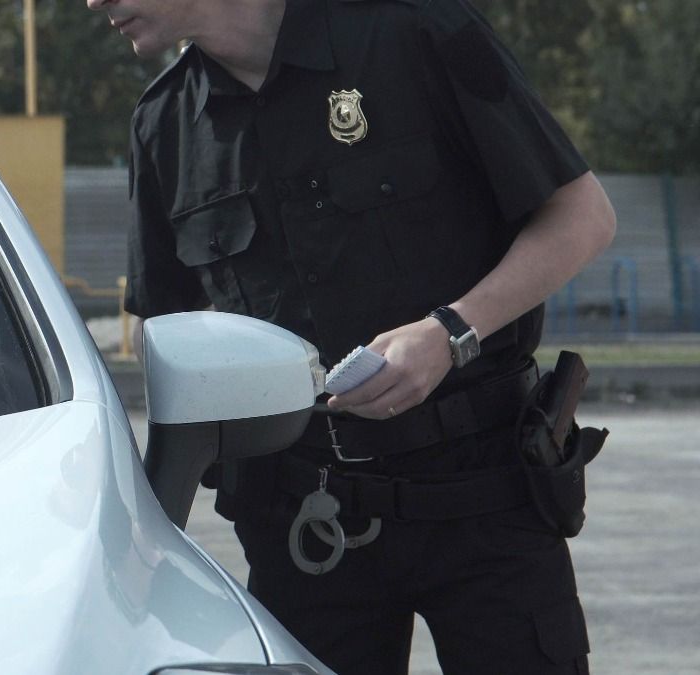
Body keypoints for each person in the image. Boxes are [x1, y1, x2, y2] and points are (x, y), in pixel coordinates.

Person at [87, 0, 616, 673]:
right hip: (307, 531)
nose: (92, 2)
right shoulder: (165, 125)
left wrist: (448, 332)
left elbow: (582, 216)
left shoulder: (418, 31)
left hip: (488, 500)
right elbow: (174, 352)